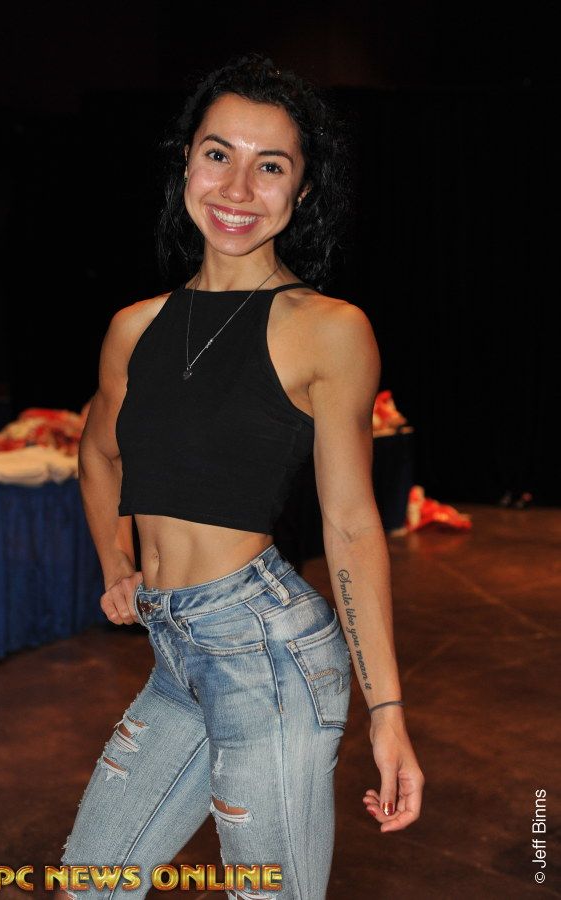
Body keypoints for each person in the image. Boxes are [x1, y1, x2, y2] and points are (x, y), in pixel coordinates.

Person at [57, 54, 424, 900]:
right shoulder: (134, 327)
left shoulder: (327, 329)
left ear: (301, 191)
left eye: (271, 166)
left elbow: (349, 525)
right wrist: (116, 562)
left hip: (268, 655)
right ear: (186, 162)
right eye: (218, 154)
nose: (236, 187)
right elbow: (98, 452)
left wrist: (387, 712)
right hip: (174, 654)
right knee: (90, 883)